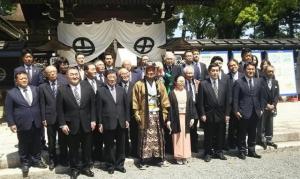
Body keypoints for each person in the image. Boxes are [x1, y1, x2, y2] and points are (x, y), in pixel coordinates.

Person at [5, 71, 47, 177]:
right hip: (22, 122)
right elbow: (8, 110)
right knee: (24, 143)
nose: (24, 80)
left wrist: (43, 118)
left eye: (25, 78)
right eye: (21, 78)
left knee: (37, 141)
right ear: (16, 81)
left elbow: (41, 105)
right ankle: (25, 162)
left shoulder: (35, 89)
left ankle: (36, 159)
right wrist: (11, 123)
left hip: (37, 120)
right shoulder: (11, 93)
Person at [57, 67, 96, 179]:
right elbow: (59, 109)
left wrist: (93, 119)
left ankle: (86, 167)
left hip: (87, 123)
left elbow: (93, 105)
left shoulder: (87, 86)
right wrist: (62, 124)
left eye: (76, 74)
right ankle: (74, 168)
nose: (74, 76)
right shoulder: (62, 89)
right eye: (72, 74)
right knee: (73, 148)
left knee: (87, 148)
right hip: (70, 124)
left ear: (79, 75)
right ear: (67, 77)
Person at [132, 63, 170, 169]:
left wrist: (165, 112)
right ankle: (143, 160)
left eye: (152, 70)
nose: (150, 72)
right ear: (145, 71)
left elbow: (164, 99)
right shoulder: (139, 84)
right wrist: (136, 113)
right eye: (148, 70)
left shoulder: (160, 84)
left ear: (156, 71)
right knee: (145, 137)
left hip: (157, 114)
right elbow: (135, 100)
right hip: (145, 114)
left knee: (158, 137)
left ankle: (159, 159)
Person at [97, 70, 130, 174]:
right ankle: (110, 165)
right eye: (110, 77)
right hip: (108, 122)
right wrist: (100, 123)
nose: (112, 79)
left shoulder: (121, 89)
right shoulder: (101, 90)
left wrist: (127, 119)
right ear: (106, 78)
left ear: (117, 78)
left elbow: (126, 106)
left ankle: (120, 164)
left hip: (121, 121)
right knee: (109, 145)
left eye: (114, 77)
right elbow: (98, 108)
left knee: (121, 145)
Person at [197, 63, 230, 162]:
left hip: (221, 113)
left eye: (217, 70)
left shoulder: (224, 84)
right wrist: (202, 114)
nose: (215, 73)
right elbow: (200, 101)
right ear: (209, 72)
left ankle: (219, 151)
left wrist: (227, 114)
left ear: (219, 71)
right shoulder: (203, 84)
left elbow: (227, 101)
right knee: (209, 135)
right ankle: (207, 153)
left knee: (220, 134)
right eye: (213, 71)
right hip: (209, 113)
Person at [233, 62, 265, 160]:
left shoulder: (259, 81)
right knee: (242, 133)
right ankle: (242, 151)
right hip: (243, 111)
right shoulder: (238, 82)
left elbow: (262, 97)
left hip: (255, 111)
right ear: (244, 70)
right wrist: (236, 110)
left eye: (252, 69)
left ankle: (252, 151)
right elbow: (235, 98)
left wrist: (261, 109)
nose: (251, 71)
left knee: (252, 132)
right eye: (248, 69)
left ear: (255, 70)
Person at [39, 65, 66, 170]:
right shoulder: (42, 87)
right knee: (51, 140)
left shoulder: (63, 84)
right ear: (46, 74)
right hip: (50, 117)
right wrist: (43, 118)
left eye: (54, 71)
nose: (52, 73)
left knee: (63, 140)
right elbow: (42, 103)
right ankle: (52, 159)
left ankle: (64, 158)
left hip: (63, 117)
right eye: (50, 72)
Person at [168, 76, 196, 164]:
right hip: (176, 117)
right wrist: (168, 120)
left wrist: (192, 117)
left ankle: (186, 155)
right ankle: (178, 156)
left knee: (186, 137)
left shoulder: (188, 93)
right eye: (179, 81)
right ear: (175, 82)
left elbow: (192, 105)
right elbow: (169, 108)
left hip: (186, 117)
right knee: (177, 137)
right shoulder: (172, 93)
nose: (181, 83)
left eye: (183, 81)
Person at [81, 63, 104, 163]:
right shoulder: (81, 84)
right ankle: (88, 158)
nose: (95, 70)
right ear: (86, 72)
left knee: (99, 137)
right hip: (87, 115)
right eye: (93, 69)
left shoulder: (100, 83)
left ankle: (98, 155)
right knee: (87, 139)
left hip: (99, 114)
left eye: (95, 69)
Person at [257, 65, 279, 149]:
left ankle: (269, 139)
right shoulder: (260, 81)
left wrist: (273, 105)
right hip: (263, 106)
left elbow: (277, 95)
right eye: (269, 71)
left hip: (272, 107)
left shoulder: (275, 82)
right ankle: (261, 139)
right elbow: (259, 95)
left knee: (270, 123)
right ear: (264, 72)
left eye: (272, 71)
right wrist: (266, 105)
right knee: (261, 123)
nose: (271, 73)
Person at [118, 68, 137, 157]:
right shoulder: (117, 86)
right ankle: (125, 152)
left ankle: (134, 151)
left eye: (127, 73)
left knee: (134, 133)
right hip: (121, 114)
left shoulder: (135, 85)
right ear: (119, 75)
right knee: (123, 134)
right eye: (123, 74)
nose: (125, 75)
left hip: (133, 113)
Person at [226, 59, 244, 149]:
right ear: (228, 67)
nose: (233, 67)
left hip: (242, 105)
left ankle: (240, 143)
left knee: (241, 126)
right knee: (231, 126)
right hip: (230, 105)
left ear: (238, 65)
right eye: (230, 65)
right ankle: (231, 143)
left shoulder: (243, 76)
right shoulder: (226, 77)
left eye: (234, 65)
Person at [183, 66, 199, 153]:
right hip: (185, 108)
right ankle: (186, 147)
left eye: (191, 73)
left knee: (194, 128)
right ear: (185, 74)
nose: (190, 75)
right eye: (188, 73)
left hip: (195, 107)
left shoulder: (197, 83)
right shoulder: (182, 83)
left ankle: (194, 146)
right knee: (186, 128)